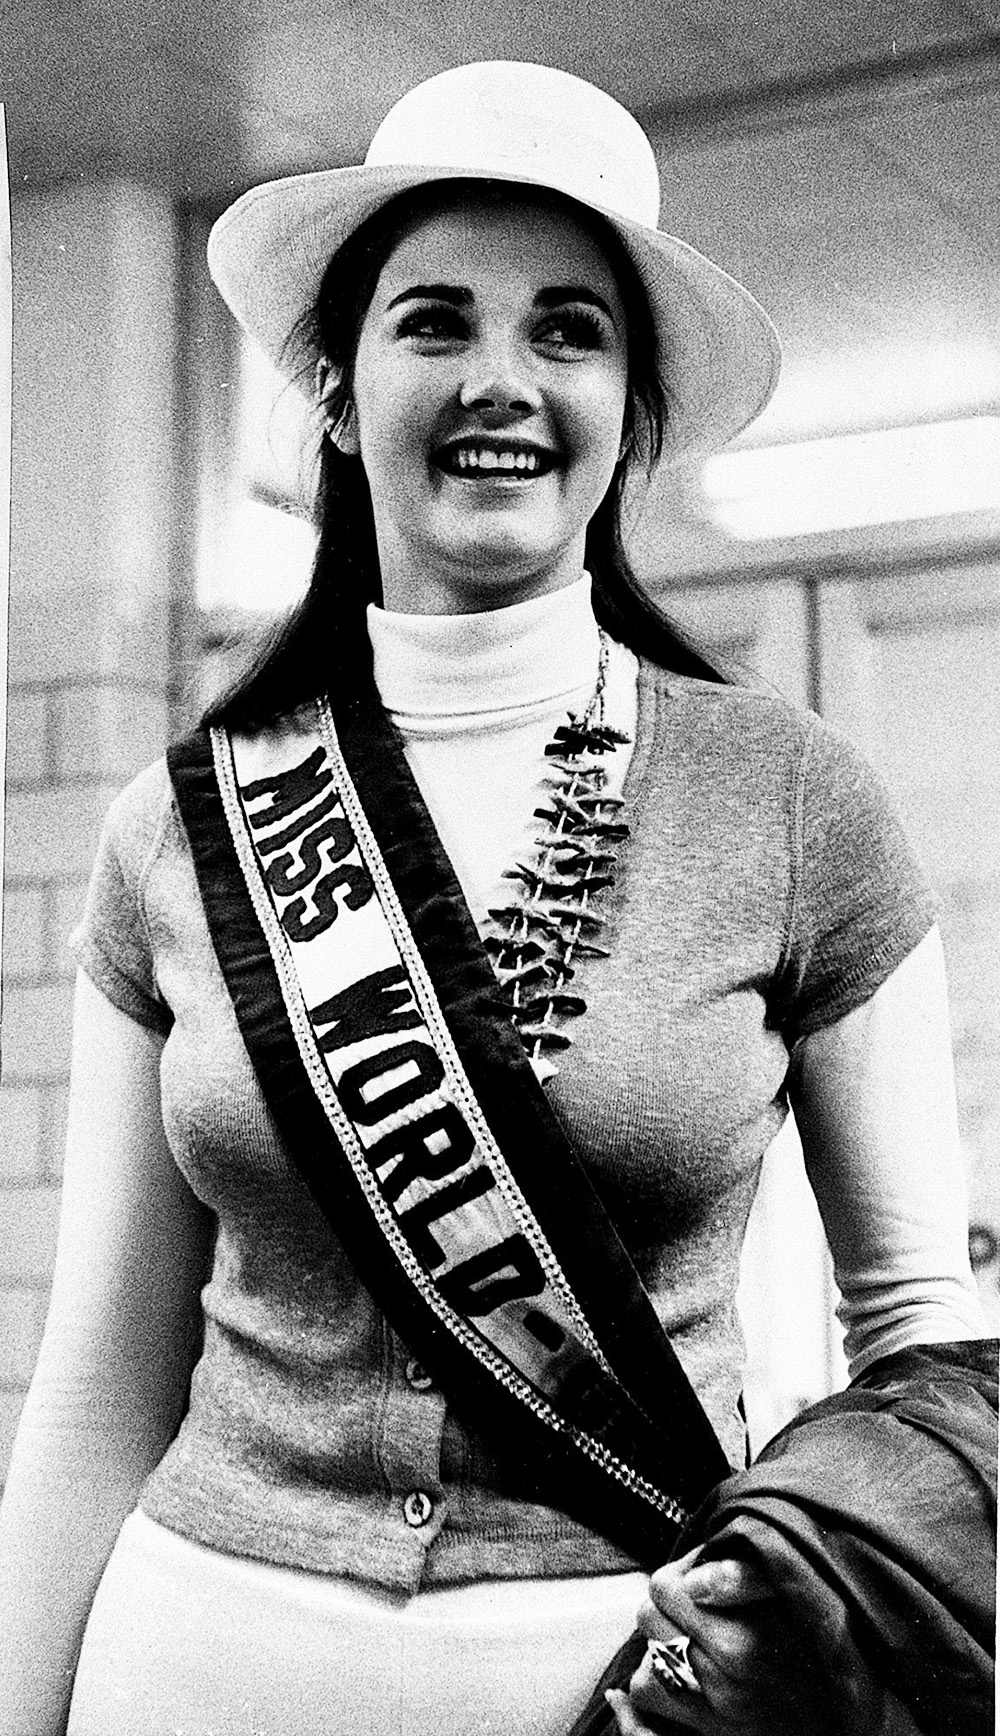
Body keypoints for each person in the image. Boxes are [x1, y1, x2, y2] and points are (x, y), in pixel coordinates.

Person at [0, 59, 991, 1736]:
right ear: (335, 389)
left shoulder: (796, 797)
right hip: (197, 1665)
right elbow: (102, 1372)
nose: (500, 380)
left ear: (635, 409)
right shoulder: (179, 826)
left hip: (629, 1681)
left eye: (570, 331)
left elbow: (926, 1351)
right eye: (434, 321)